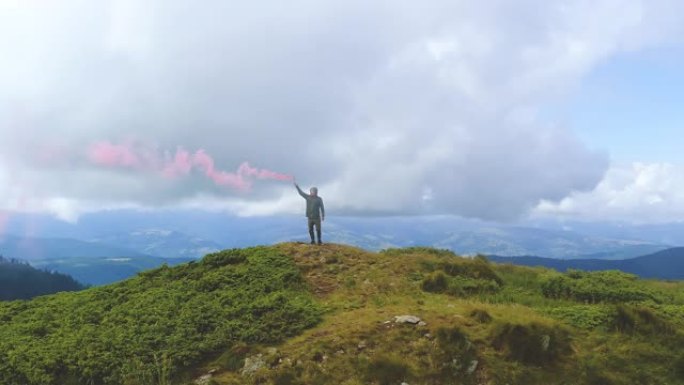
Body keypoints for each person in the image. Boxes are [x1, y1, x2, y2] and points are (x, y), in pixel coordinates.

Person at [294, 178, 325, 245]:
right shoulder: (307, 197)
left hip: (317, 218)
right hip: (310, 218)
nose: (312, 192)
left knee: (318, 230)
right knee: (310, 230)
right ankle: (313, 241)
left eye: (313, 191)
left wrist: (323, 216)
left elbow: (322, 207)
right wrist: (297, 186)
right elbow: (301, 193)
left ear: (316, 192)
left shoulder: (319, 199)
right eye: (311, 191)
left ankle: (319, 241)